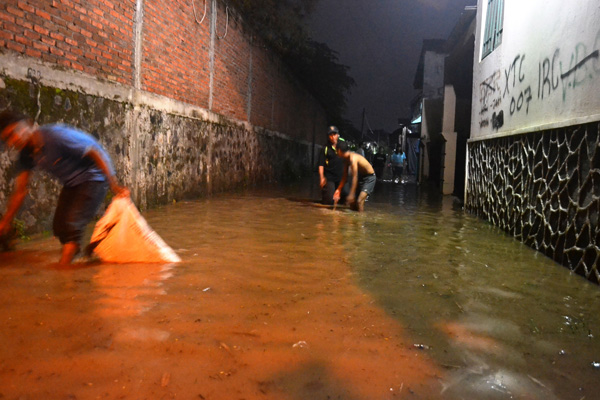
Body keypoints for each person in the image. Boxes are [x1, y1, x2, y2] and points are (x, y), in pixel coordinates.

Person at [0, 110, 128, 264]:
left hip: (94, 176)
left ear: (28, 124)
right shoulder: (26, 154)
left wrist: (113, 183)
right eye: (8, 138)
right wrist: (5, 223)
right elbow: (20, 191)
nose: (14, 139)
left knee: (71, 224)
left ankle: (65, 270)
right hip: (72, 183)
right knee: (59, 227)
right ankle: (83, 257)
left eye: (15, 131)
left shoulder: (54, 137)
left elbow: (94, 152)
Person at [333, 140, 376, 212]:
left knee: (359, 202)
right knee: (353, 204)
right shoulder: (345, 160)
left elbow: (354, 177)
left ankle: (360, 221)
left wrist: (352, 194)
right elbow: (344, 176)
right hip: (361, 177)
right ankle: (354, 221)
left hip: (369, 178)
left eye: (336, 150)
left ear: (339, 150)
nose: (336, 152)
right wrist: (338, 189)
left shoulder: (353, 158)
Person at [318, 125, 346, 205]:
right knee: (329, 201)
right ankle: (326, 195)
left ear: (338, 135)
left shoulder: (343, 145)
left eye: (334, 134)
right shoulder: (325, 148)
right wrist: (322, 177)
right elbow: (321, 164)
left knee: (346, 198)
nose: (333, 137)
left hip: (342, 176)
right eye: (330, 135)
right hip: (330, 177)